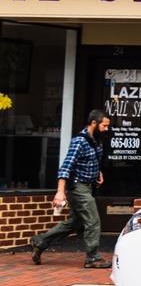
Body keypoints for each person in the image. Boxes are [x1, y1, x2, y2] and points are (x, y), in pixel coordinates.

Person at [29, 109, 112, 269]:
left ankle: (40, 242)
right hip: (77, 186)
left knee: (75, 222)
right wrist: (60, 191)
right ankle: (93, 258)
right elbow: (66, 166)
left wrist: (98, 172)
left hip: (88, 186)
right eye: (104, 126)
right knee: (93, 221)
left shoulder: (97, 140)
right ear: (94, 123)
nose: (106, 129)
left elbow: (92, 159)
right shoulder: (79, 142)